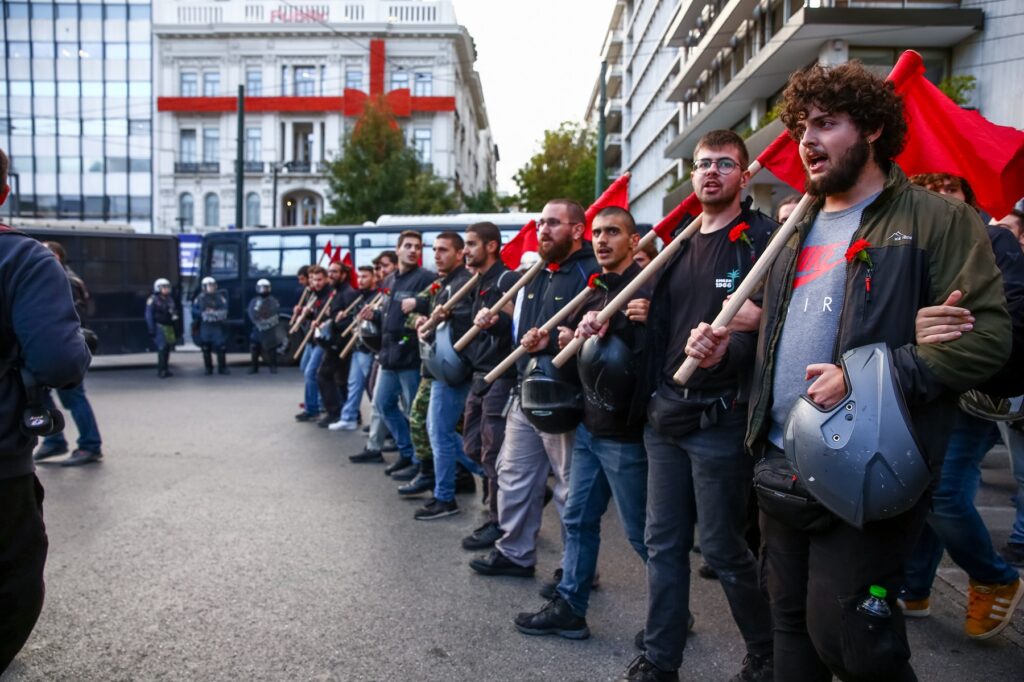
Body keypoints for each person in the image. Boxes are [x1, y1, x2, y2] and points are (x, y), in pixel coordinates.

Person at [692, 61, 1010, 682]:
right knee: (787, 629)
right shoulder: (792, 229)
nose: (807, 140)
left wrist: (871, 373)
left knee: (852, 635)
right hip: (781, 459)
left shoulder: (934, 219)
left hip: (868, 462)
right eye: (801, 127)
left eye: (826, 124)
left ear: (868, 130)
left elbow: (990, 339)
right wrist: (725, 349)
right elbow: (778, 341)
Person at [620, 130, 776, 682]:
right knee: (662, 544)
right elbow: (658, 327)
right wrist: (615, 317)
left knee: (722, 547)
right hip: (665, 413)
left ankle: (766, 651)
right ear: (692, 175)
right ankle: (662, 660)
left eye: (724, 164)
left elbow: (771, 330)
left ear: (744, 174)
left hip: (719, 414)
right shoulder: (678, 243)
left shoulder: (762, 241)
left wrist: (724, 352)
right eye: (703, 164)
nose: (712, 172)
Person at [514, 206, 651, 640]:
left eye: (613, 231)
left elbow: (651, 359)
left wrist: (625, 327)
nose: (602, 240)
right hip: (592, 428)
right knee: (577, 519)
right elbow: (586, 364)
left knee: (642, 535)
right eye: (597, 232)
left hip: (627, 434)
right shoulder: (594, 290)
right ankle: (571, 606)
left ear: (633, 241)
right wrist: (567, 341)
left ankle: (672, 612)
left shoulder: (647, 289)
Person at [898, 174, 1024, 638]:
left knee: (944, 493)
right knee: (924, 489)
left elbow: (1010, 315)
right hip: (924, 386)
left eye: (948, 194)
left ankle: (996, 578)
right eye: (928, 194)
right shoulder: (912, 245)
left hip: (974, 393)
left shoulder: (994, 239)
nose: (939, 204)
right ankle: (914, 587)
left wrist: (951, 327)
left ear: (968, 201)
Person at [469, 199, 599, 578]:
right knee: (513, 474)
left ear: (577, 230)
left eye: (553, 223)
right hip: (525, 389)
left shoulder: (592, 274)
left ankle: (576, 569)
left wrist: (562, 341)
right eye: (541, 223)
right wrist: (496, 322)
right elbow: (521, 331)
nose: (543, 230)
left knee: (568, 487)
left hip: (565, 396)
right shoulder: (537, 272)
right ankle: (515, 552)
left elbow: (601, 335)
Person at [0, 147, 92, 674]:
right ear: (4, 189)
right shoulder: (23, 258)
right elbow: (60, 361)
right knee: (7, 584)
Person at [412, 232, 485, 516]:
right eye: (435, 250)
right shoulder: (445, 285)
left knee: (440, 433)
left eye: (444, 250)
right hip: (443, 367)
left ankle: (446, 497)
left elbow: (472, 324)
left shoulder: (464, 284)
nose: (436, 255)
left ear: (458, 254)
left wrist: (451, 318)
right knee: (439, 433)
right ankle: (495, 477)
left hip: (456, 369)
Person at [460, 222, 521, 548]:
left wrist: (498, 323)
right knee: (472, 446)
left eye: (471, 244)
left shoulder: (505, 281)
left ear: (491, 246)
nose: (466, 250)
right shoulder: (478, 281)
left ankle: (498, 522)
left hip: (500, 375)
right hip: (479, 374)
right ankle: (533, 491)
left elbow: (517, 327)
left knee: (492, 452)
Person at [359, 232, 435, 475]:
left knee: (416, 413)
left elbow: (436, 306)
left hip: (411, 356)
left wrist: (419, 304)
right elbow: (390, 316)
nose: (413, 250)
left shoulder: (427, 279)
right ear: (398, 249)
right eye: (408, 246)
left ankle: (420, 461)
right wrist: (376, 316)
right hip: (388, 354)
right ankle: (406, 451)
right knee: (382, 404)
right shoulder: (390, 280)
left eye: (418, 247)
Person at [31, 242, 103, 466]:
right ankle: (54, 440)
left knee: (73, 397)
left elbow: (65, 316)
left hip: (63, 348)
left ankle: (89, 445)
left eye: (46, 252)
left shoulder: (63, 279)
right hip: (55, 346)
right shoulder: (60, 277)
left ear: (57, 256)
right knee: (42, 396)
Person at [332, 265, 378, 431]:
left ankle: (380, 422)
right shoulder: (360, 297)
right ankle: (349, 417)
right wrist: (345, 317)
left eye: (365, 277)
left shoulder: (377, 296)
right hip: (357, 346)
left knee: (373, 388)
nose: (360, 280)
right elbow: (353, 319)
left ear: (374, 278)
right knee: (354, 384)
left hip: (368, 348)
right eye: (359, 277)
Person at [315, 261, 358, 428]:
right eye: (329, 271)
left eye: (334, 272)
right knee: (341, 379)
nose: (330, 275)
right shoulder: (336, 292)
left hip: (341, 345)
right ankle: (349, 413)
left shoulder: (348, 293)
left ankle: (334, 412)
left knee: (323, 376)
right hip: (335, 343)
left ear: (343, 274)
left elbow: (351, 321)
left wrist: (333, 323)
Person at [294, 265, 331, 422]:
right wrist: (305, 313)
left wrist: (322, 320)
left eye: (319, 279)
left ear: (326, 279)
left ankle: (312, 408)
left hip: (322, 339)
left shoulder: (329, 295)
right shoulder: (314, 294)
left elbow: (330, 316)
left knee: (311, 372)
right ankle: (318, 401)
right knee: (305, 368)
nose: (316, 282)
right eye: (313, 279)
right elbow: (314, 313)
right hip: (312, 338)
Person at [193, 276, 230, 375]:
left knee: (221, 347)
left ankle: (222, 368)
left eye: (212, 285)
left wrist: (216, 312)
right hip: (205, 326)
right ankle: (208, 368)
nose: (211, 287)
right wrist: (202, 313)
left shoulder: (220, 297)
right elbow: (194, 311)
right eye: (209, 286)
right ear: (204, 287)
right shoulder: (199, 298)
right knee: (206, 348)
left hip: (217, 326)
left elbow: (225, 308)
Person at [146, 277, 178, 378]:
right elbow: (149, 315)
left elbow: (173, 312)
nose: (166, 289)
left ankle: (166, 368)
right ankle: (161, 370)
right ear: (158, 288)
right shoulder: (153, 300)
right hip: (160, 326)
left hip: (169, 326)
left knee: (168, 348)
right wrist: (151, 328)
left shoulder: (169, 299)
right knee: (162, 348)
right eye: (164, 287)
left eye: (167, 287)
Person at [247, 278, 281, 374]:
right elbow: (251, 313)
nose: (263, 290)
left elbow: (276, 313)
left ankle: (273, 366)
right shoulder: (255, 301)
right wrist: (258, 320)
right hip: (258, 328)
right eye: (261, 288)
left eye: (265, 288)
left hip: (270, 327)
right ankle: (254, 367)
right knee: (254, 347)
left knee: (272, 347)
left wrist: (267, 320)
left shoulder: (273, 301)